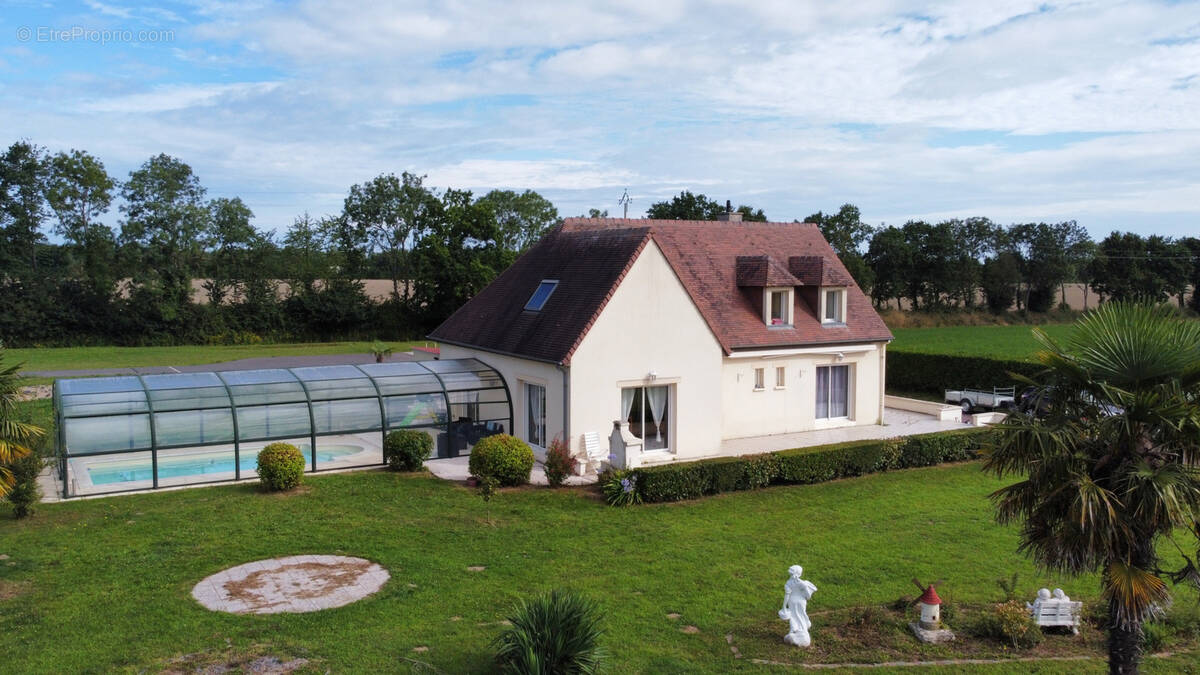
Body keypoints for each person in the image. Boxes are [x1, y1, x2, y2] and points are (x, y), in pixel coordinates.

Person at [779, 564, 818, 647]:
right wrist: (804, 587)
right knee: (801, 615)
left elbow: (787, 595)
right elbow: (808, 596)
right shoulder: (802, 583)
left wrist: (784, 607)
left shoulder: (788, 583)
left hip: (792, 601)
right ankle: (802, 629)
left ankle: (795, 630)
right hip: (800, 602)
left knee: (793, 616)